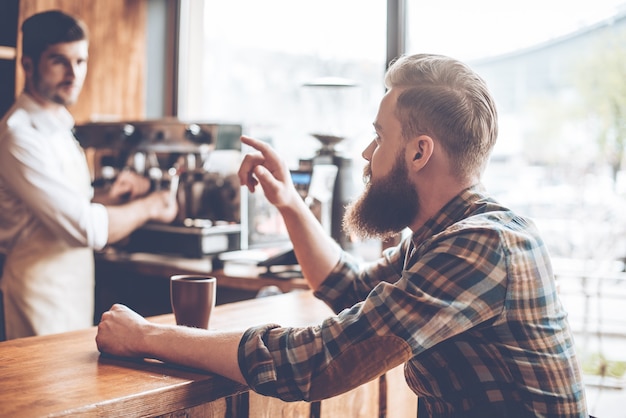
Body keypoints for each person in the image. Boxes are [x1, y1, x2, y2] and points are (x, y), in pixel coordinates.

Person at [96, 53, 588, 417]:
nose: (366, 154)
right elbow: (351, 288)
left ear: (419, 153)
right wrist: (288, 201)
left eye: (378, 136)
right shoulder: (439, 237)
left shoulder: (481, 246)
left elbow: (314, 363)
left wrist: (146, 336)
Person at [0, 10, 178, 340]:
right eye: (59, 61)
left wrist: (109, 197)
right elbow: (85, 227)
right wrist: (152, 205)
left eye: (80, 61)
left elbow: (61, 210)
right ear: (27, 65)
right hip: (38, 297)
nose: (73, 74)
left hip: (73, 290)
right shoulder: (19, 135)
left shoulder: (61, 126)